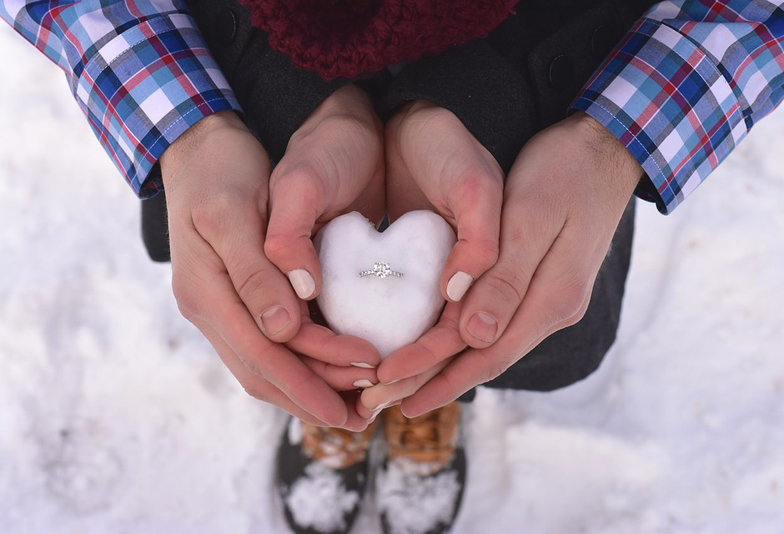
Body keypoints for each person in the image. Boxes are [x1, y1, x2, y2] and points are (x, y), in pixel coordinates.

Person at [2, 1, 783, 533]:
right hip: (252, 57)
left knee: (497, 303)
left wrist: (612, 136)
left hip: (542, 64)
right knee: (279, 279)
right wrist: (189, 123)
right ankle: (340, 394)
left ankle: (416, 398)